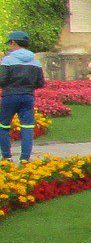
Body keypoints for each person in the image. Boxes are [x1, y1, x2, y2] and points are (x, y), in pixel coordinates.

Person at [1, 31, 44, 163]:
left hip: (10, 96)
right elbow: (40, 83)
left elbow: (2, 80)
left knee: (3, 126)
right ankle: (25, 158)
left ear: (13, 43)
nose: (9, 46)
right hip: (28, 97)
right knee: (27, 127)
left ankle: (7, 156)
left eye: (9, 43)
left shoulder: (8, 60)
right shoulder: (35, 61)